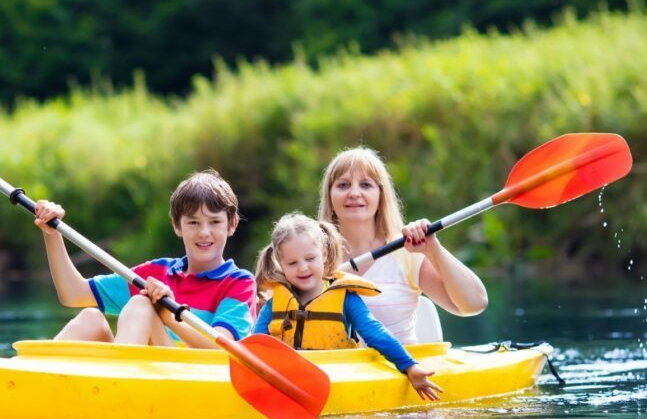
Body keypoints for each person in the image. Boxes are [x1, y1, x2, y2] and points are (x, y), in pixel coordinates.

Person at [33, 169, 256, 348]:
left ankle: (117, 387)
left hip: (186, 382)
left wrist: (168, 315)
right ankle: (32, 378)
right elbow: (73, 294)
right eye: (193, 222)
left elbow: (221, 347)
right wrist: (52, 234)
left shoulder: (239, 283)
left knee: (142, 304)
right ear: (177, 226)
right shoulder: (157, 273)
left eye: (215, 222)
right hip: (143, 375)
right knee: (91, 318)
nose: (204, 232)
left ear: (232, 224)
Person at [252, 213, 441, 401]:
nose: (303, 268)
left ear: (324, 254)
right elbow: (255, 345)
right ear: (280, 263)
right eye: (292, 263)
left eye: (310, 258)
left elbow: (375, 333)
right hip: (290, 384)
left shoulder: (346, 298)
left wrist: (409, 366)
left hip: (339, 381)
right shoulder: (274, 304)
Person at [318, 147, 488, 345]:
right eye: (343, 185)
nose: (354, 193)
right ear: (330, 194)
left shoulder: (407, 253)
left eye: (365, 185)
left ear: (381, 195)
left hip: (402, 371)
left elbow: (474, 304)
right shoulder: (308, 256)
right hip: (334, 371)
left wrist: (433, 249)